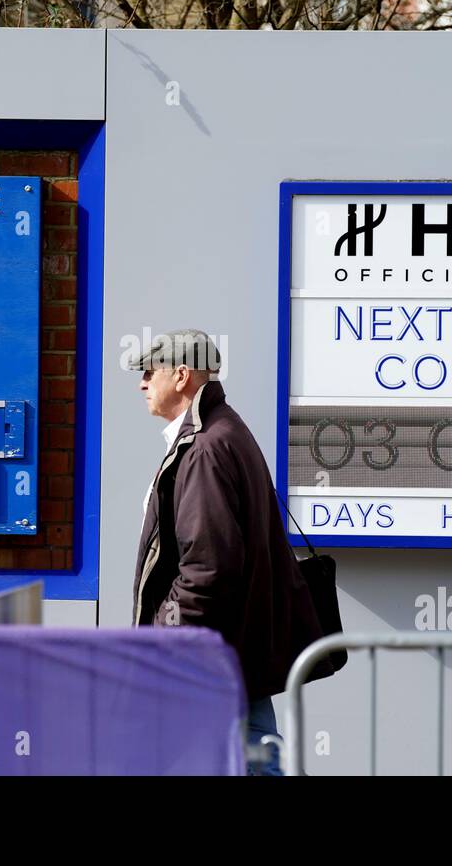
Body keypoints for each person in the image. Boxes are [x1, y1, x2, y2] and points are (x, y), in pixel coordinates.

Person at [128, 329, 333, 776]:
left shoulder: (205, 447)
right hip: (230, 647)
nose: (142, 382)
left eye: (149, 371)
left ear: (181, 375)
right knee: (255, 756)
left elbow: (208, 566)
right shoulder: (223, 430)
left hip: (205, 653)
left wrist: (166, 635)